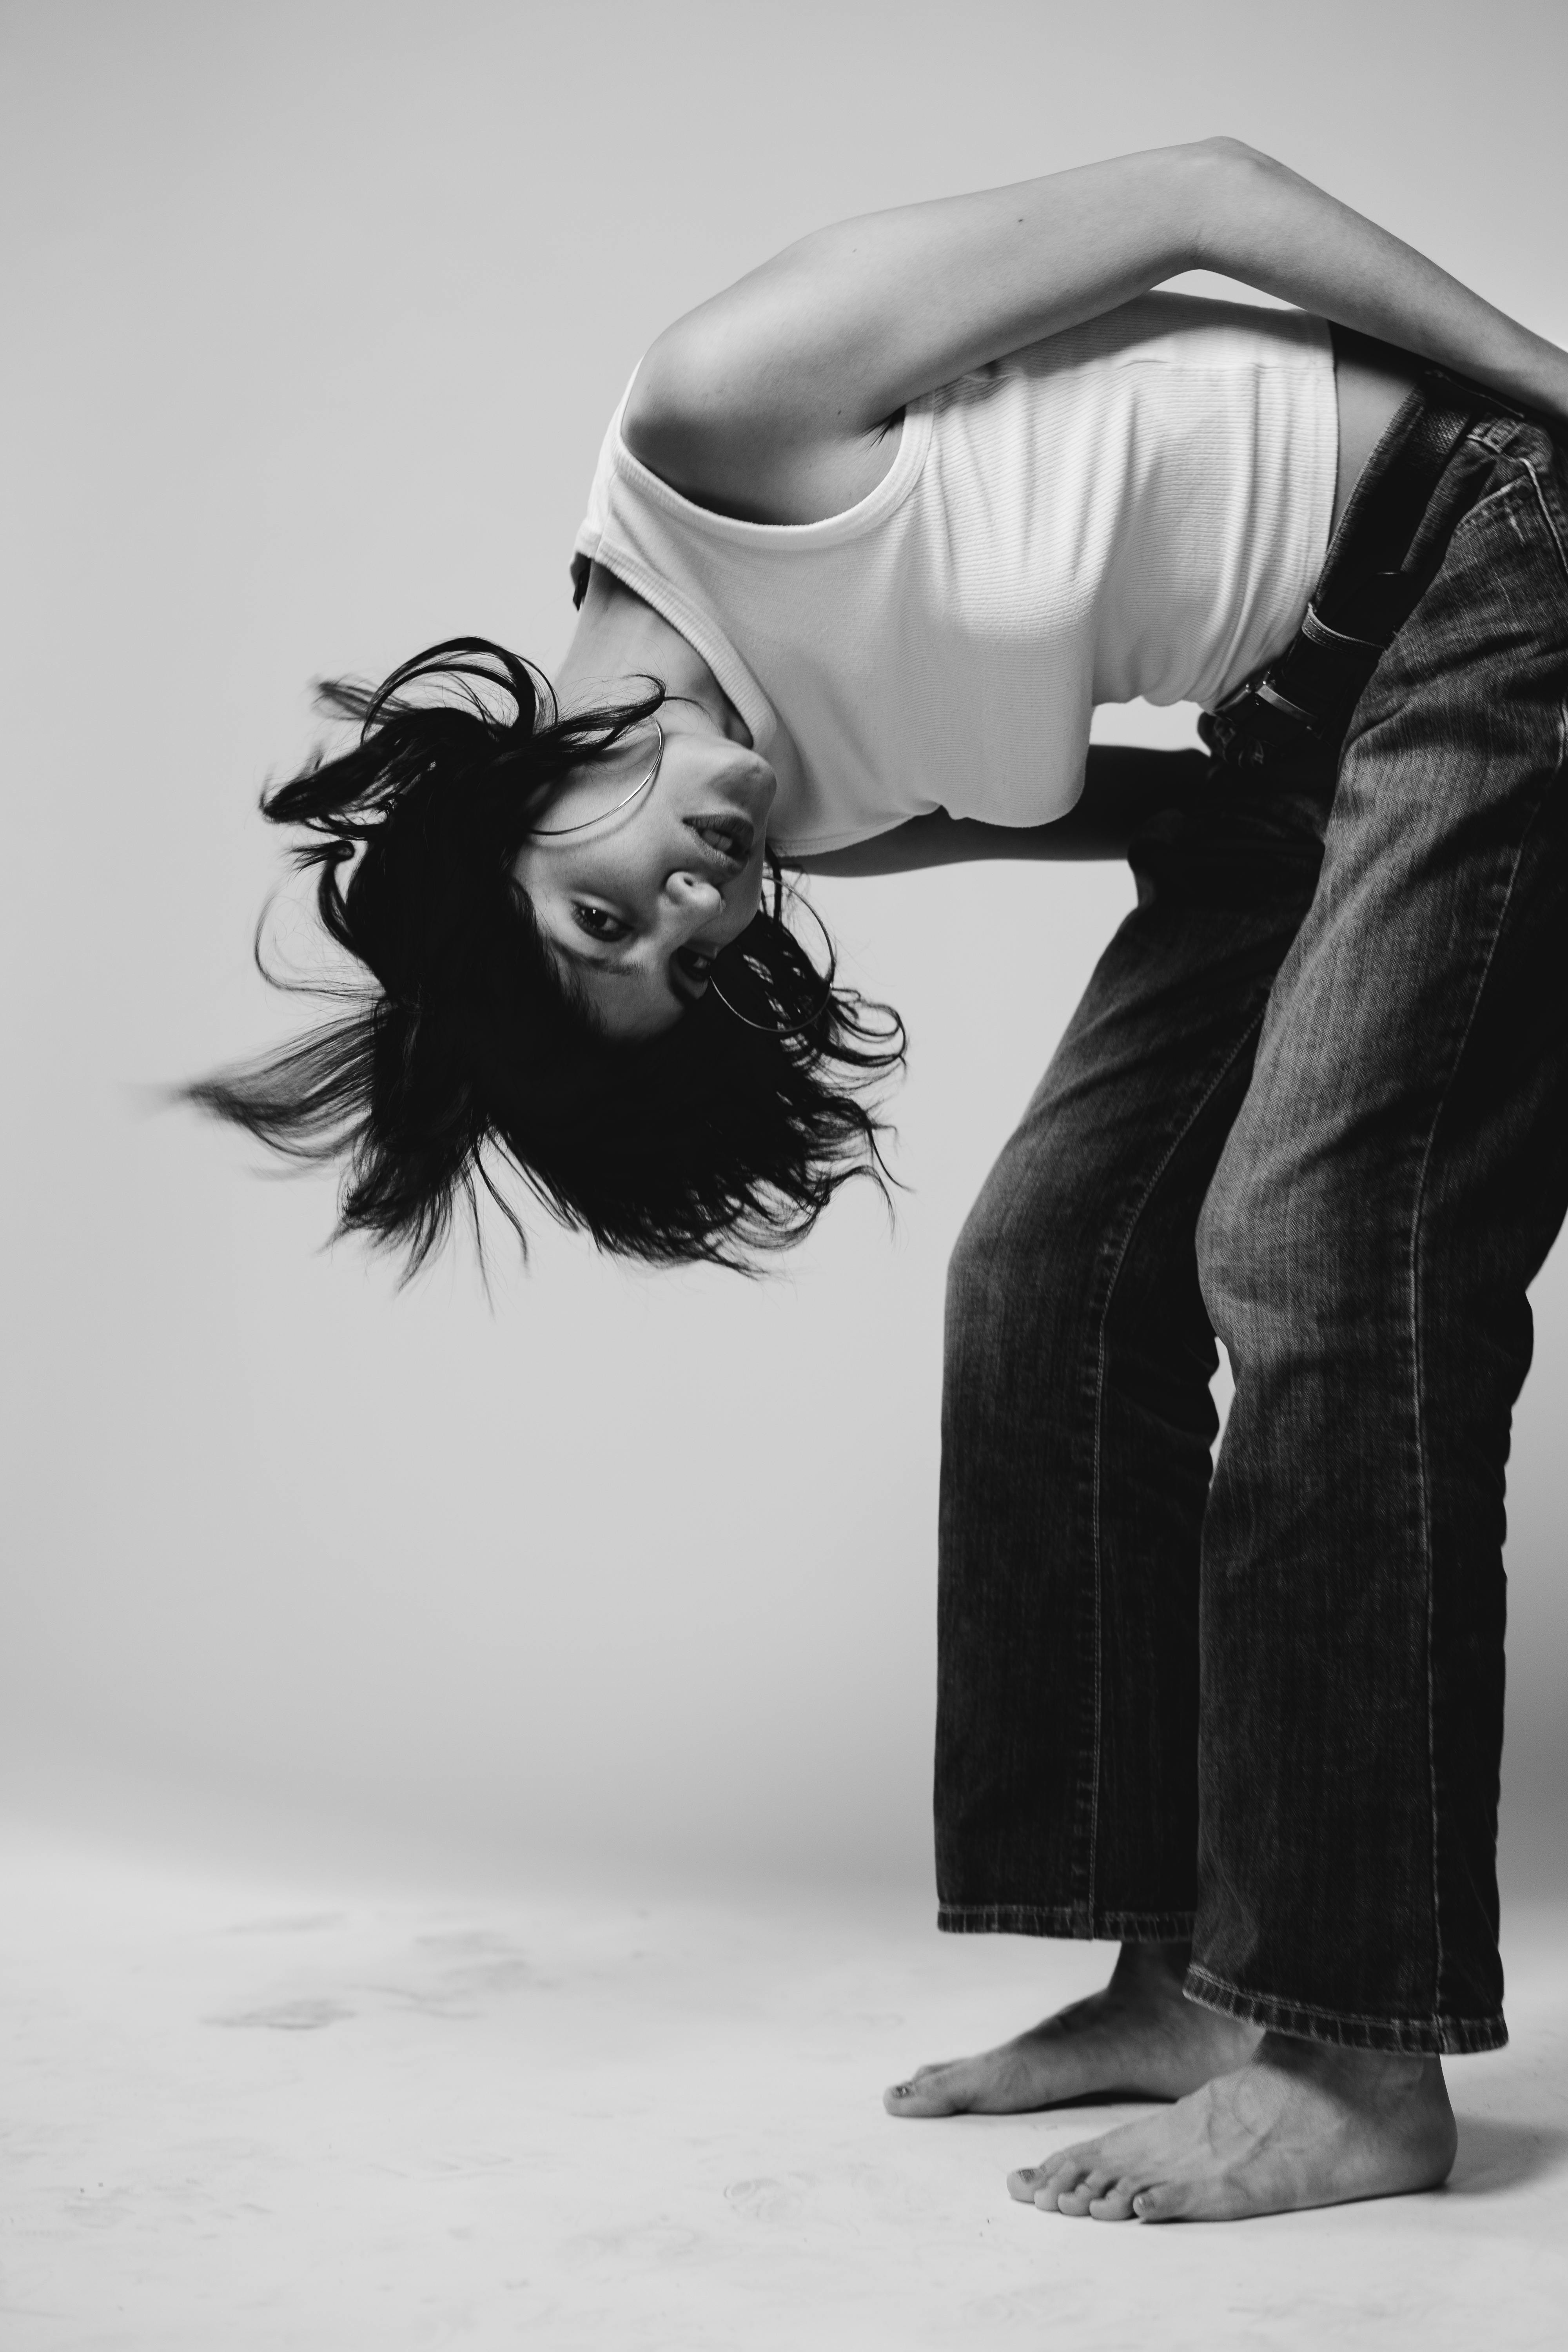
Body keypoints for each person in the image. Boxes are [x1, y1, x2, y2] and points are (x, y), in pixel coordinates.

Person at [192, 139, 1568, 2223]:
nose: (699, 912)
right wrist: (1306, 880)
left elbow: (1204, 197)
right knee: (1047, 1278)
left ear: (497, 815)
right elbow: (1159, 814)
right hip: (1310, 729)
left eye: (601, 918)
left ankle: (1354, 2056)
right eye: (682, 970)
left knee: (1311, 1252)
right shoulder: (803, 807)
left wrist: (1556, 402)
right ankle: (1190, 1977)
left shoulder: (721, 427)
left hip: (1494, 542)